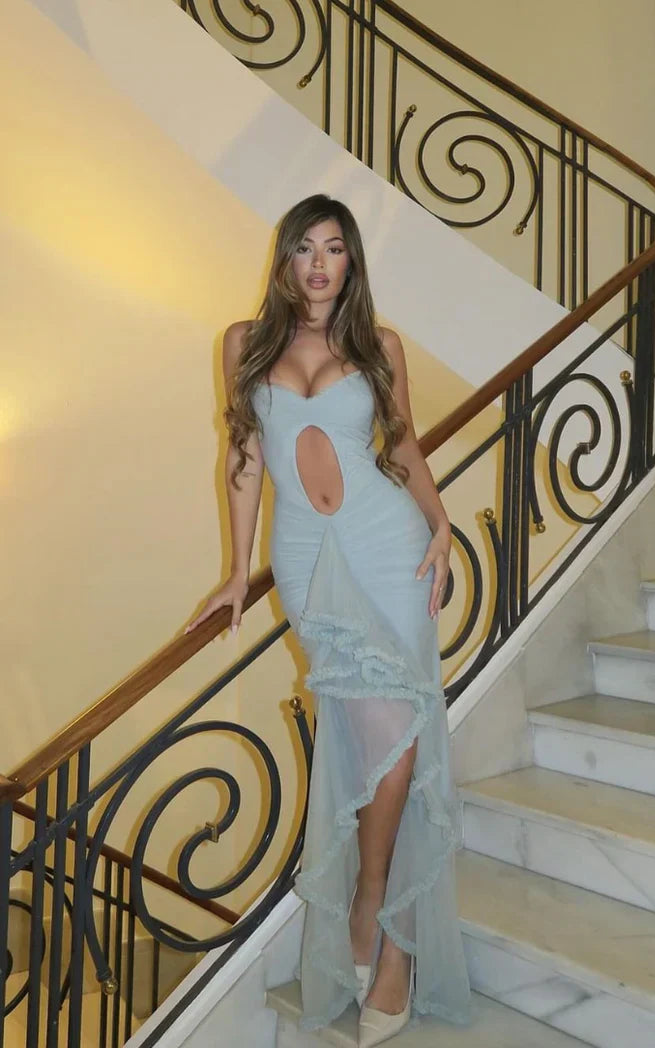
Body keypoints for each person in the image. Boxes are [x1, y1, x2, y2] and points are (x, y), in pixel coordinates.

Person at [185, 194, 472, 1045]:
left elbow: (402, 444)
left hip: (389, 547)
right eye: (305, 247)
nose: (319, 263)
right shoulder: (244, 343)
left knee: (399, 741)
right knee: (373, 739)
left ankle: (380, 919)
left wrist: (442, 523)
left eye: (335, 247)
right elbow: (244, 456)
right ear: (284, 259)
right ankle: (379, 917)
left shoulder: (379, 346)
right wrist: (237, 572)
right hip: (308, 561)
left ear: (351, 262)